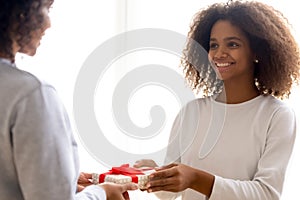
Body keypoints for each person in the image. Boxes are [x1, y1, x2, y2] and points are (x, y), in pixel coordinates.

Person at [134, 0, 300, 199]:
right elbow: (167, 195)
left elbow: (266, 194)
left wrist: (195, 178)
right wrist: (153, 176)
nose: (219, 53)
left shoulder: (276, 115)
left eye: (233, 44)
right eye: (213, 45)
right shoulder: (191, 112)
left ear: (256, 51)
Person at [0, 0, 137, 199]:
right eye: (47, 8)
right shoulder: (31, 94)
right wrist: (102, 193)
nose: (48, 24)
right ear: (18, 13)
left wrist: (65, 179)